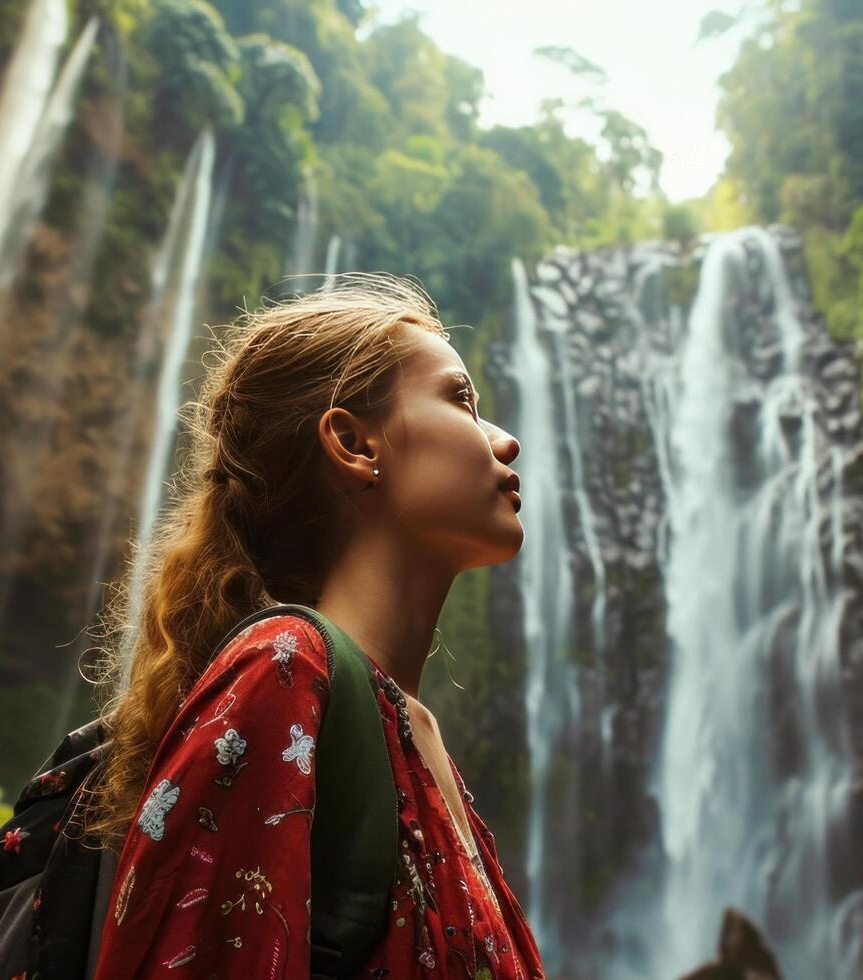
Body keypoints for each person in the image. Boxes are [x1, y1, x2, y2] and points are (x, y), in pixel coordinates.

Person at [84, 273, 544, 977]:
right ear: (354, 444)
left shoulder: (413, 736)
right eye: (461, 400)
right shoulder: (283, 670)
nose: (505, 442)